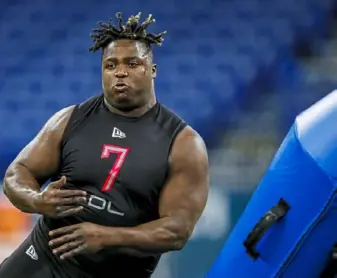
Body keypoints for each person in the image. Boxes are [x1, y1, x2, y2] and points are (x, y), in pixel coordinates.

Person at [0, 12, 209, 278]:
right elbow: (16, 174)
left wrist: (106, 236)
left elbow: (177, 230)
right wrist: (37, 200)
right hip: (44, 258)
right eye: (111, 65)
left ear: (153, 70)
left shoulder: (183, 143)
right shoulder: (70, 119)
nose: (120, 72)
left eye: (132, 63)